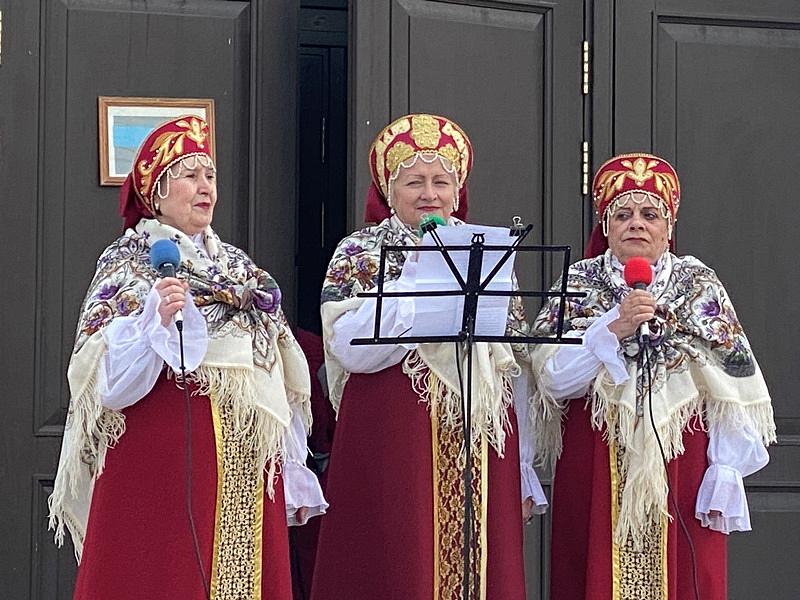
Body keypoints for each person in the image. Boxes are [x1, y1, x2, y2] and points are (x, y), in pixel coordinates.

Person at [48, 116, 327, 599]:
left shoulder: (238, 269)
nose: (205, 187)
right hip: (162, 463)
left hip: (246, 463)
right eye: (189, 175)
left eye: (210, 176)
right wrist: (152, 324)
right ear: (156, 194)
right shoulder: (128, 264)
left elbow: (274, 371)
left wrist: (292, 462)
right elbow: (105, 382)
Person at [311, 113, 546, 599]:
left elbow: (512, 360)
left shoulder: (483, 250)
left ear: (458, 191)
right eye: (414, 182)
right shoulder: (361, 250)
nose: (429, 194)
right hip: (394, 430)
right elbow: (347, 348)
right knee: (399, 562)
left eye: (441, 182)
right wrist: (413, 283)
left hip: (480, 433)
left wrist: (523, 465)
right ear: (389, 190)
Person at [530, 153, 776, 599]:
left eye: (650, 215)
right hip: (596, 452)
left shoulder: (698, 283)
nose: (636, 225)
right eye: (622, 215)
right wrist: (612, 329)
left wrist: (726, 467)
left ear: (669, 226)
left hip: (682, 460)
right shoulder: (578, 283)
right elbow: (551, 379)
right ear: (606, 227)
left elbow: (730, 379)